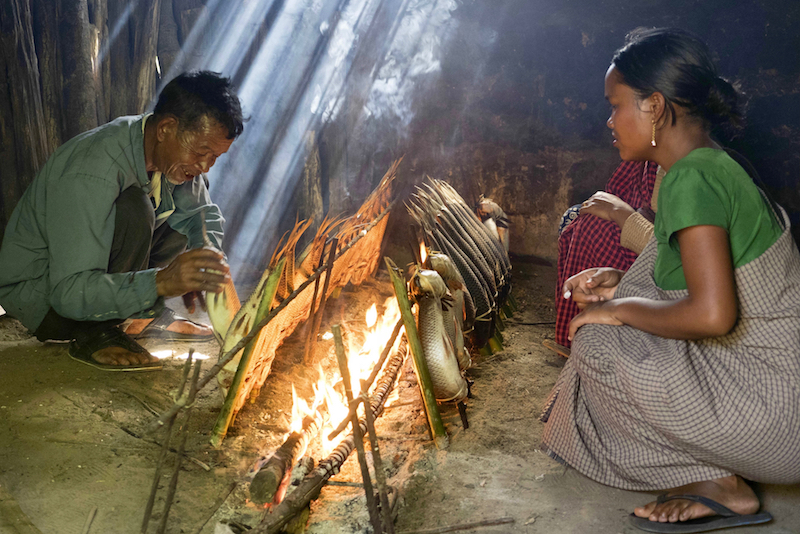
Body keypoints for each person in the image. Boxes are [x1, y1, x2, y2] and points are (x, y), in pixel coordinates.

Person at [541, 27, 800, 532]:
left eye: (616, 105)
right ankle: (718, 470)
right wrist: (624, 284)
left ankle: (719, 484)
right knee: (613, 322)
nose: (609, 120)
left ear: (655, 107)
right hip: (783, 395)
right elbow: (702, 278)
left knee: (596, 344)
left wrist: (616, 309)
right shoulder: (710, 165)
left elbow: (712, 313)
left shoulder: (691, 178)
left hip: (781, 411)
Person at [0, 71, 243, 371]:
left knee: (187, 197)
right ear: (166, 128)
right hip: (47, 299)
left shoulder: (165, 151)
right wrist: (162, 281)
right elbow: (67, 293)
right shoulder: (93, 169)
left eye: (216, 157)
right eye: (201, 152)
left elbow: (200, 215)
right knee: (134, 208)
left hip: (87, 282)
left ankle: (140, 314)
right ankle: (95, 330)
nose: (206, 165)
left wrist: (205, 257)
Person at [555, 160, 659, 348]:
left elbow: (679, 259)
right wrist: (620, 283)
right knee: (577, 216)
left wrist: (619, 310)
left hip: (665, 285)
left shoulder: (694, 177)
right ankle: (580, 330)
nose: (611, 127)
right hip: (655, 265)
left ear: (657, 127)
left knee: (595, 226)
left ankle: (596, 337)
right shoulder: (650, 166)